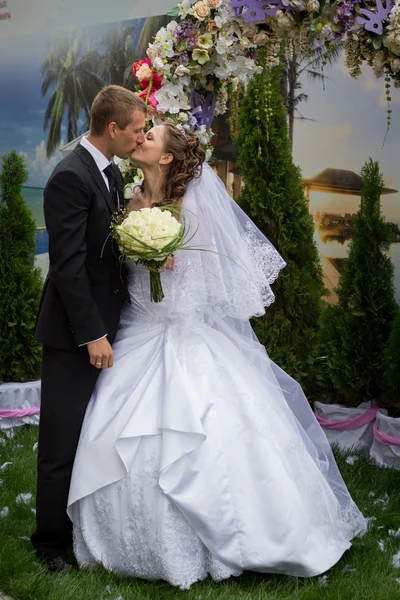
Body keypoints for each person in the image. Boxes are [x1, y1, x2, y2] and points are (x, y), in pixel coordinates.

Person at [67, 123, 366, 589]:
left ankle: (240, 538)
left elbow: (207, 291)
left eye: (151, 137)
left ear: (167, 158)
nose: (141, 139)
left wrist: (169, 260)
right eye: (140, 133)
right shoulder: (127, 202)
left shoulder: (194, 210)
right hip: (138, 335)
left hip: (185, 337)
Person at [31, 85, 147, 572]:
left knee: (91, 434)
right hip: (73, 335)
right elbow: (68, 267)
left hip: (108, 326)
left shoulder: (111, 171)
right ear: (113, 127)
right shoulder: (68, 177)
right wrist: (92, 334)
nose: (141, 139)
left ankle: (82, 525)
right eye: (137, 130)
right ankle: (50, 544)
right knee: (61, 441)